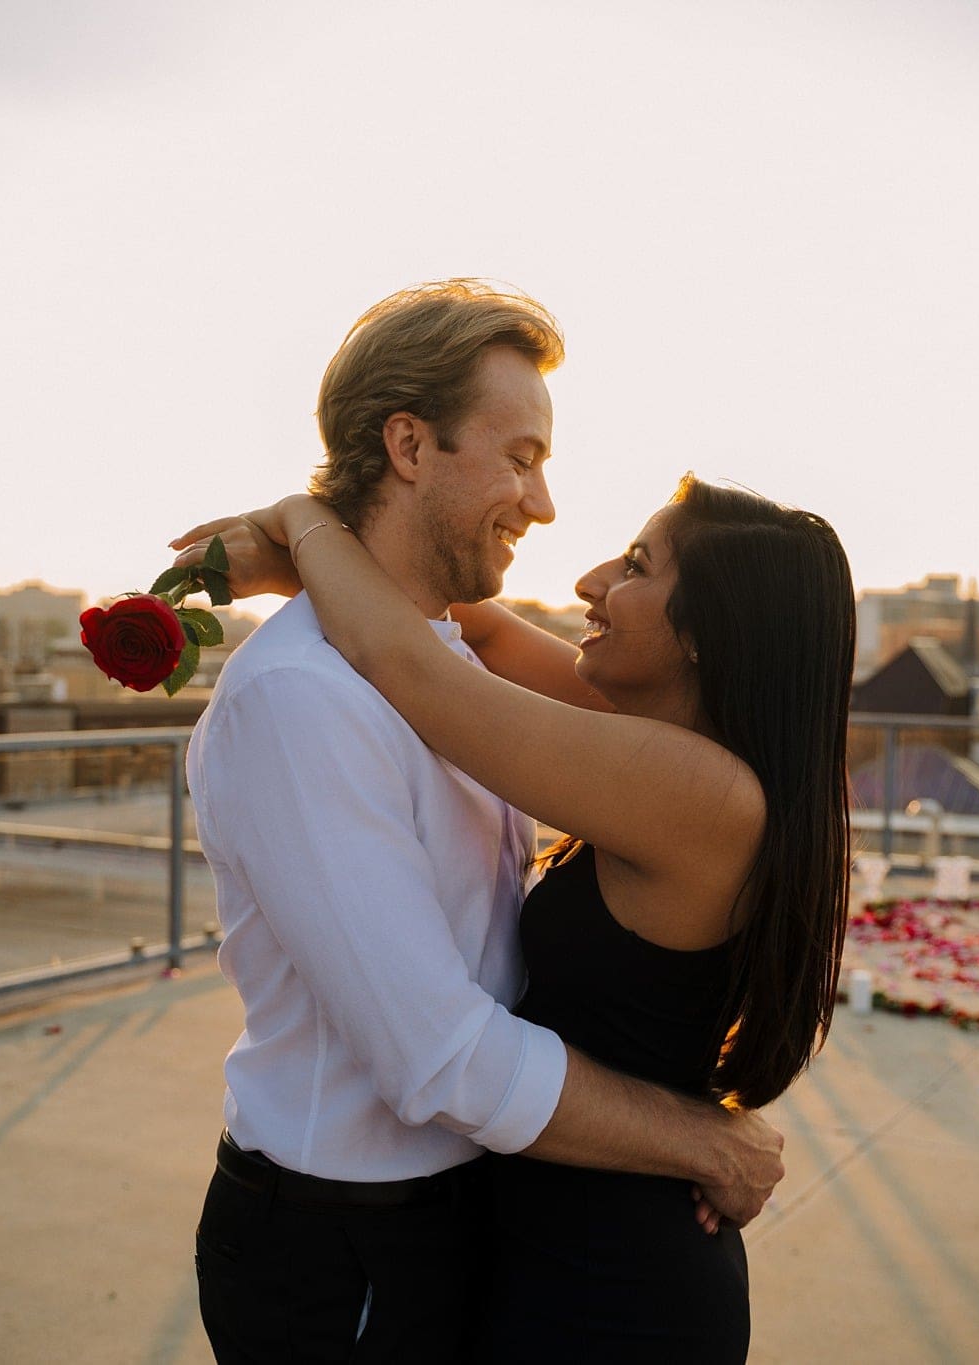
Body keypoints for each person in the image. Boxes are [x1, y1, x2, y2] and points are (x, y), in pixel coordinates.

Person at [173, 280, 790, 1365]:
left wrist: (309, 530)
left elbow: (438, 652)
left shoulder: (439, 664)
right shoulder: (302, 697)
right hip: (345, 1242)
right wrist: (697, 1138)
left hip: (470, 1217)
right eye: (519, 457)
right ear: (408, 445)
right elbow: (440, 1057)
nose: (544, 505)